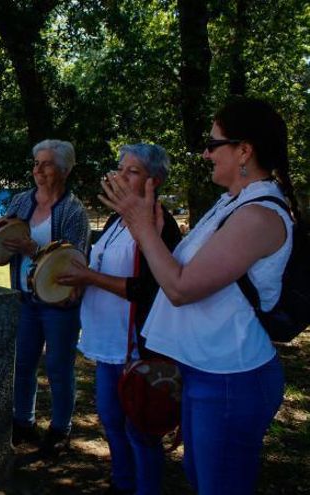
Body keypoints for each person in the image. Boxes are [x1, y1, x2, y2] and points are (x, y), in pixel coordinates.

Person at [100, 97, 297, 494]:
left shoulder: (259, 215)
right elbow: (181, 272)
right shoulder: (232, 202)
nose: (206, 153)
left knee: (218, 485)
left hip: (230, 378)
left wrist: (142, 228)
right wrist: (150, 231)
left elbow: (179, 288)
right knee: (201, 477)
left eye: (214, 144)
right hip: (206, 373)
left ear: (244, 150)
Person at [58, 144, 181, 494]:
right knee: (112, 420)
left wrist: (90, 279)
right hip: (106, 340)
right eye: (120, 168)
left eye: (132, 171)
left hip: (138, 346)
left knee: (140, 429)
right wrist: (76, 281)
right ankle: (122, 482)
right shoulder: (116, 219)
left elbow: (148, 289)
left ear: (153, 181)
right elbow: (100, 265)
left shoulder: (161, 223)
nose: (120, 176)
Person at [0, 139, 89, 454]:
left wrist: (30, 249)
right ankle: (24, 421)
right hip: (24, 297)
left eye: (46, 163)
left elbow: (75, 260)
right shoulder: (22, 201)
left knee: (58, 366)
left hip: (60, 303)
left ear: (63, 170)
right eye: (36, 163)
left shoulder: (74, 210)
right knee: (22, 363)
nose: (38, 169)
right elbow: (1, 234)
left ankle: (60, 429)